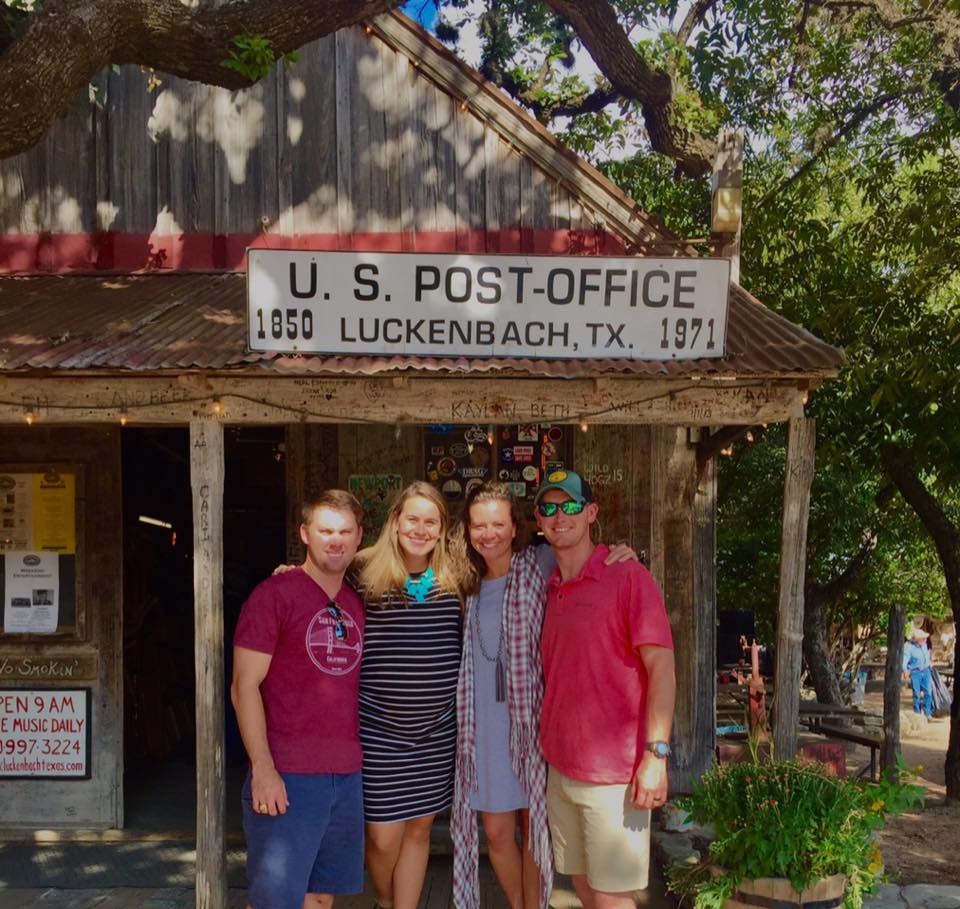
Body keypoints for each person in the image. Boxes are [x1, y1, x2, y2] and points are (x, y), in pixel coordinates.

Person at [450, 481, 640, 909]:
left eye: (498, 524)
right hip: (482, 727)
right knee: (497, 834)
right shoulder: (462, 582)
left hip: (532, 722)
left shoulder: (537, 564)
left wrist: (620, 551)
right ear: (467, 530)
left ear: (515, 528)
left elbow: (583, 553)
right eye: (479, 525)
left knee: (534, 830)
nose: (489, 534)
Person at [534, 469, 676, 909]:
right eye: (549, 508)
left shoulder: (629, 577)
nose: (560, 516)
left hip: (614, 773)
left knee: (613, 896)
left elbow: (663, 669)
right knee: (580, 883)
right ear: (538, 520)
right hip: (560, 766)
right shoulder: (551, 587)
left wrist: (656, 756)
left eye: (571, 505)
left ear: (591, 512)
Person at [231, 490, 366, 909]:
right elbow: (243, 686)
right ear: (305, 533)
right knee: (276, 899)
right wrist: (264, 769)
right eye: (326, 530)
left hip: (345, 775)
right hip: (289, 774)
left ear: (359, 537)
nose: (336, 540)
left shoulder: (354, 603)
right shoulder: (273, 595)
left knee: (320, 898)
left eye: (345, 531)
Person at [353, 481, 464, 909]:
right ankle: (385, 899)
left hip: (436, 733)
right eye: (412, 519)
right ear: (395, 520)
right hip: (379, 730)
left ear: (441, 528)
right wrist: (290, 572)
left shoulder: (456, 576)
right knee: (382, 836)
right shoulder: (360, 570)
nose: (420, 529)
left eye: (430, 521)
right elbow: (315, 590)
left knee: (419, 829)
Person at [902, 625, 933, 718]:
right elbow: (904, 659)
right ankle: (917, 713)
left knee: (928, 692)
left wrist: (929, 663)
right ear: (917, 639)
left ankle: (928, 712)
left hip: (926, 670)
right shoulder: (909, 647)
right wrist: (905, 670)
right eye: (922, 638)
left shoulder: (924, 645)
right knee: (917, 694)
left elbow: (926, 655)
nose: (924, 639)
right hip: (916, 672)